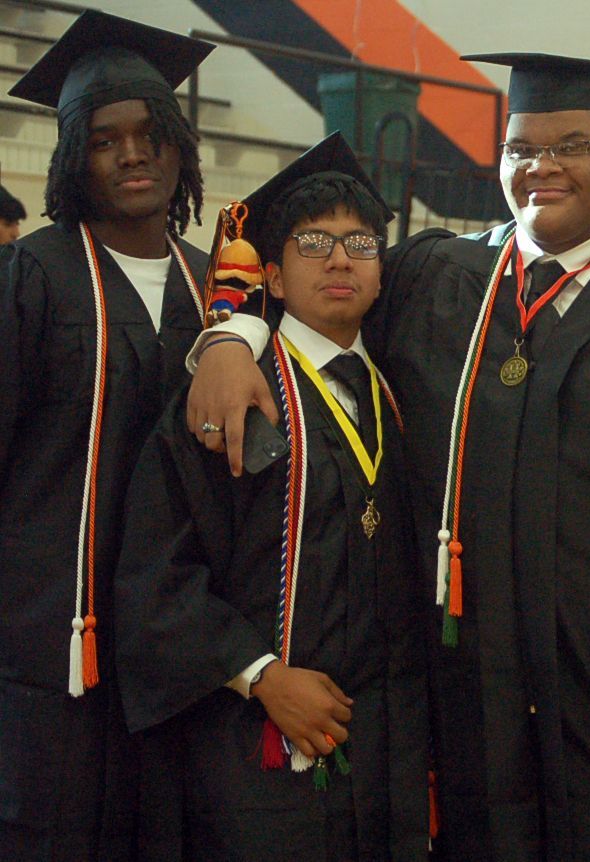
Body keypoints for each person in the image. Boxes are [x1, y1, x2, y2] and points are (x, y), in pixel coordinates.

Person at [183, 53, 590, 861]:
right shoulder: (437, 278)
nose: (541, 166)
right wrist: (231, 338)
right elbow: (317, 301)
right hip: (468, 717)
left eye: (570, 146)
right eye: (521, 148)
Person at [114, 133, 428, 860]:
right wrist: (260, 676)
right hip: (255, 750)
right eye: (314, 242)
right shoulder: (229, 396)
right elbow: (158, 571)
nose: (341, 259)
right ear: (275, 279)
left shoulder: (404, 389)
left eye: (361, 243)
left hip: (387, 750)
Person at [0, 12, 212, 860]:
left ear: (179, 149)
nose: (132, 154)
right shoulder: (34, 277)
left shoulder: (217, 291)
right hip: (53, 641)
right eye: (103, 141)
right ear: (72, 162)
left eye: (150, 134)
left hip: (177, 649)